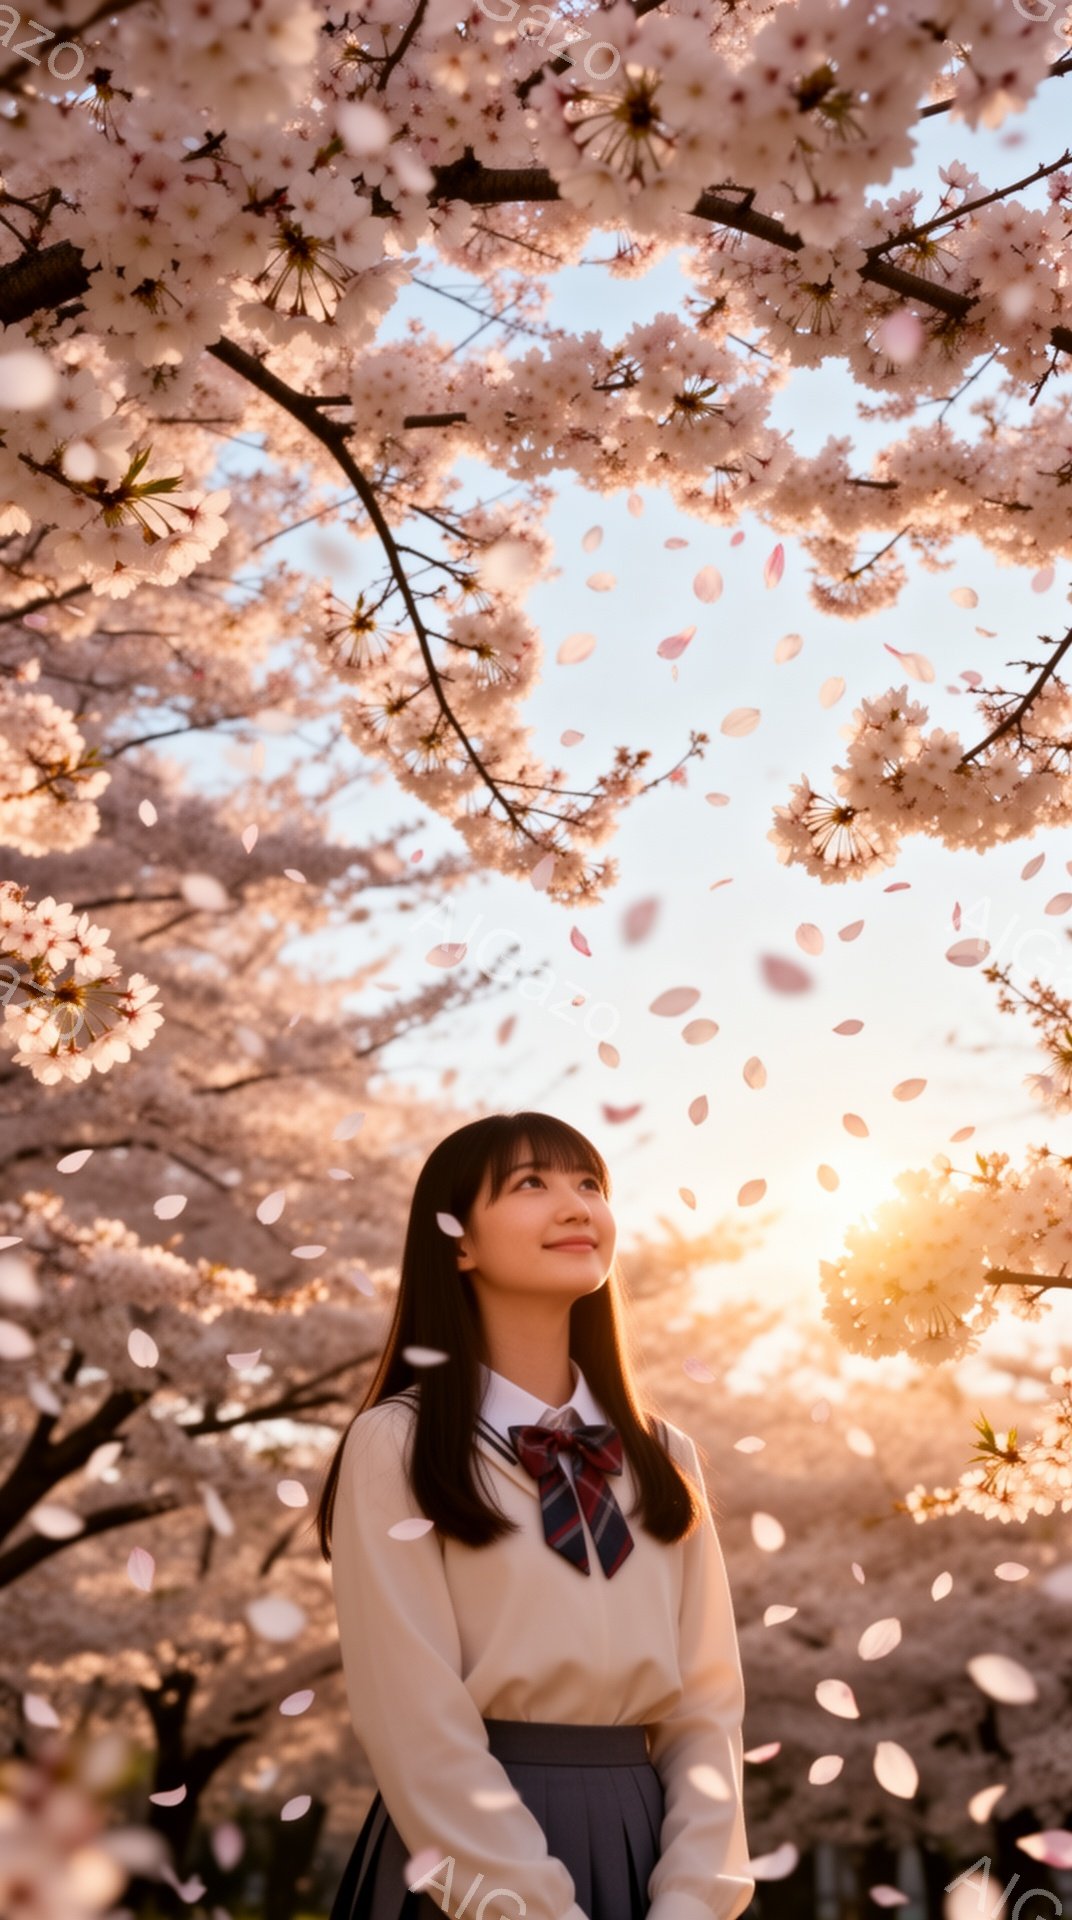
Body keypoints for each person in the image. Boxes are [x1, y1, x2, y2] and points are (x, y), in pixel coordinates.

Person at [313, 1109, 755, 1920]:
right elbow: (414, 1721)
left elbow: (707, 1709)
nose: (575, 1205)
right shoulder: (398, 1446)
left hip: (647, 1852)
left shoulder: (665, 1455)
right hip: (470, 1870)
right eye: (531, 1184)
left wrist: (693, 1899)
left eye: (590, 1183)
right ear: (458, 1241)